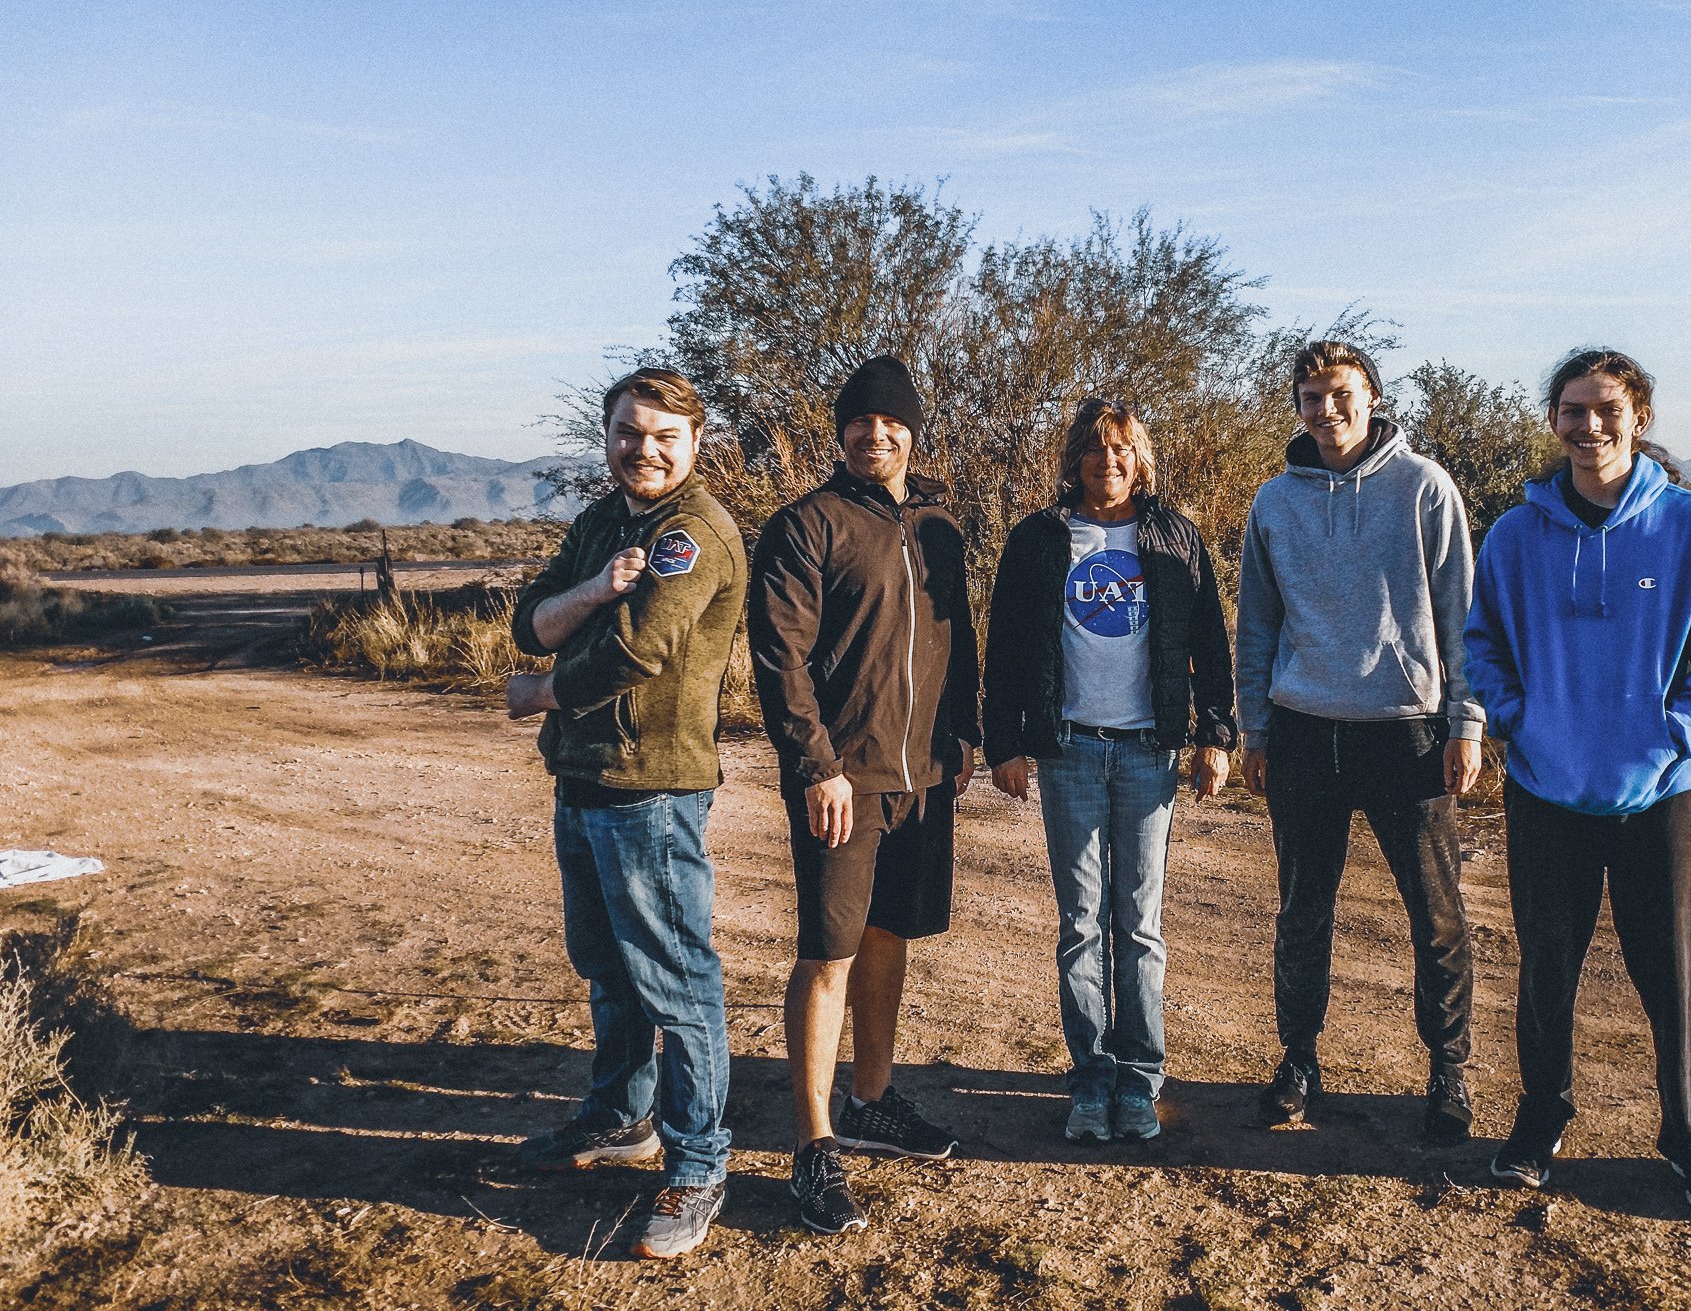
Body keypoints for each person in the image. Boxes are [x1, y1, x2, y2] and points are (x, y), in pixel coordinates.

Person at [1464, 347, 1691, 1217]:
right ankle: (1540, 1120)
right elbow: (1482, 642)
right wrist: (1517, 719)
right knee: (1547, 966)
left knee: (1672, 974)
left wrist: (1681, 735)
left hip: (1662, 792)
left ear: (1641, 419)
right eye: (1572, 410)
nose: (1589, 426)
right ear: (1553, 421)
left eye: (1607, 409)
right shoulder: (1518, 533)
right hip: (1547, 788)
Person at [505, 367, 746, 1260]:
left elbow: (639, 653)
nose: (644, 450)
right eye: (628, 433)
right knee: (607, 967)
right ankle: (622, 1118)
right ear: (607, 435)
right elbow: (534, 618)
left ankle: (698, 1162)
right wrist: (597, 591)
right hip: (582, 777)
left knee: (676, 981)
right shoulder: (603, 523)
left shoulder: (693, 536)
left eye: (663, 437)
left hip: (651, 783)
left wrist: (542, 694)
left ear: (694, 443)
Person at [748, 355, 981, 1234]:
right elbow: (781, 658)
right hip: (841, 781)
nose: (873, 435)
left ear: (912, 431)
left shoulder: (940, 524)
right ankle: (815, 1144)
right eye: (858, 423)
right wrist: (816, 765)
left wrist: (965, 733)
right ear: (839, 433)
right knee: (829, 950)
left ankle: (873, 1100)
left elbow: (957, 638)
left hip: (923, 776)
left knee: (890, 935)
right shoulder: (807, 525)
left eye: (889, 422)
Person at [1236, 340, 1484, 1144]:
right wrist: (1254, 726)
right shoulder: (1274, 501)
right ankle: (1299, 1062)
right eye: (1310, 397)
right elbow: (1258, 623)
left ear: (1372, 397)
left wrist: (1466, 720)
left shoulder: (1424, 488)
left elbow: (1462, 619)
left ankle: (1448, 1071)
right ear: (1298, 408)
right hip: (1305, 731)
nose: (1326, 410)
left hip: (1405, 733)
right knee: (1303, 911)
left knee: (1435, 913)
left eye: (1341, 393)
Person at [983, 399, 1236, 1144]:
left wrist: (1214, 734)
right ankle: (1090, 1083)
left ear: (1141, 457)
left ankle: (1140, 1083)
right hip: (1068, 751)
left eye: (1122, 449)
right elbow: (1005, 647)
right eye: (1094, 449)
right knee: (1080, 926)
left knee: (1142, 926)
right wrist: (1005, 742)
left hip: (1148, 752)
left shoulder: (1173, 536)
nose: (1109, 461)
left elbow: (1209, 642)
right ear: (1074, 460)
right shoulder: (1038, 539)